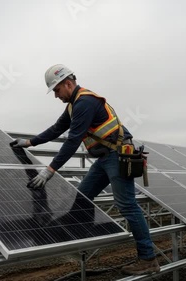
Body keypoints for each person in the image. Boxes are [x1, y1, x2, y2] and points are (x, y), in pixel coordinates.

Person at [10, 64, 160, 275]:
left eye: (56, 90)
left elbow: (72, 142)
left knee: (127, 206)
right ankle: (78, 236)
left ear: (68, 84)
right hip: (104, 158)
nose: (55, 95)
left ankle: (148, 259)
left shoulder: (85, 103)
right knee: (83, 196)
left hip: (117, 156)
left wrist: (49, 171)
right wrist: (29, 142)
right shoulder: (73, 106)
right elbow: (56, 129)